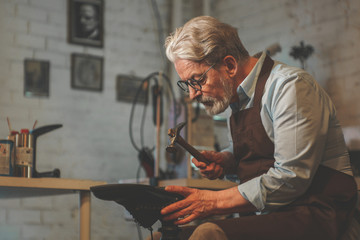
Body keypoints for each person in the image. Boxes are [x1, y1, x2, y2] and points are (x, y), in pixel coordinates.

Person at [160, 16, 358, 240]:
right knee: (164, 238)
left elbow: (291, 177)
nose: (193, 94)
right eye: (187, 85)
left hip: (317, 212)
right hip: (273, 215)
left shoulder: (289, 87)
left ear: (229, 65)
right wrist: (228, 162)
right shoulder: (235, 100)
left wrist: (212, 201)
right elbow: (261, 160)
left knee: (208, 234)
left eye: (197, 80)